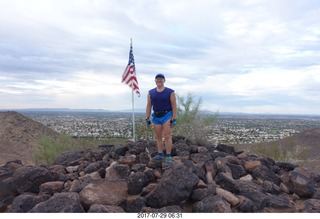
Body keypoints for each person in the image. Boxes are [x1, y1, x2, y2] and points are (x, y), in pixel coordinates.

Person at [145, 73, 177, 165]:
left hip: (167, 115)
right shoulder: (151, 92)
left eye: (161, 79)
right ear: (155, 80)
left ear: (164, 80)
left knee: (167, 136)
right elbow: (149, 105)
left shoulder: (170, 92)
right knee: (158, 137)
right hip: (156, 116)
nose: (159, 80)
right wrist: (147, 117)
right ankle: (160, 154)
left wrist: (174, 118)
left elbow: (174, 105)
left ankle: (168, 155)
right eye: (157, 79)